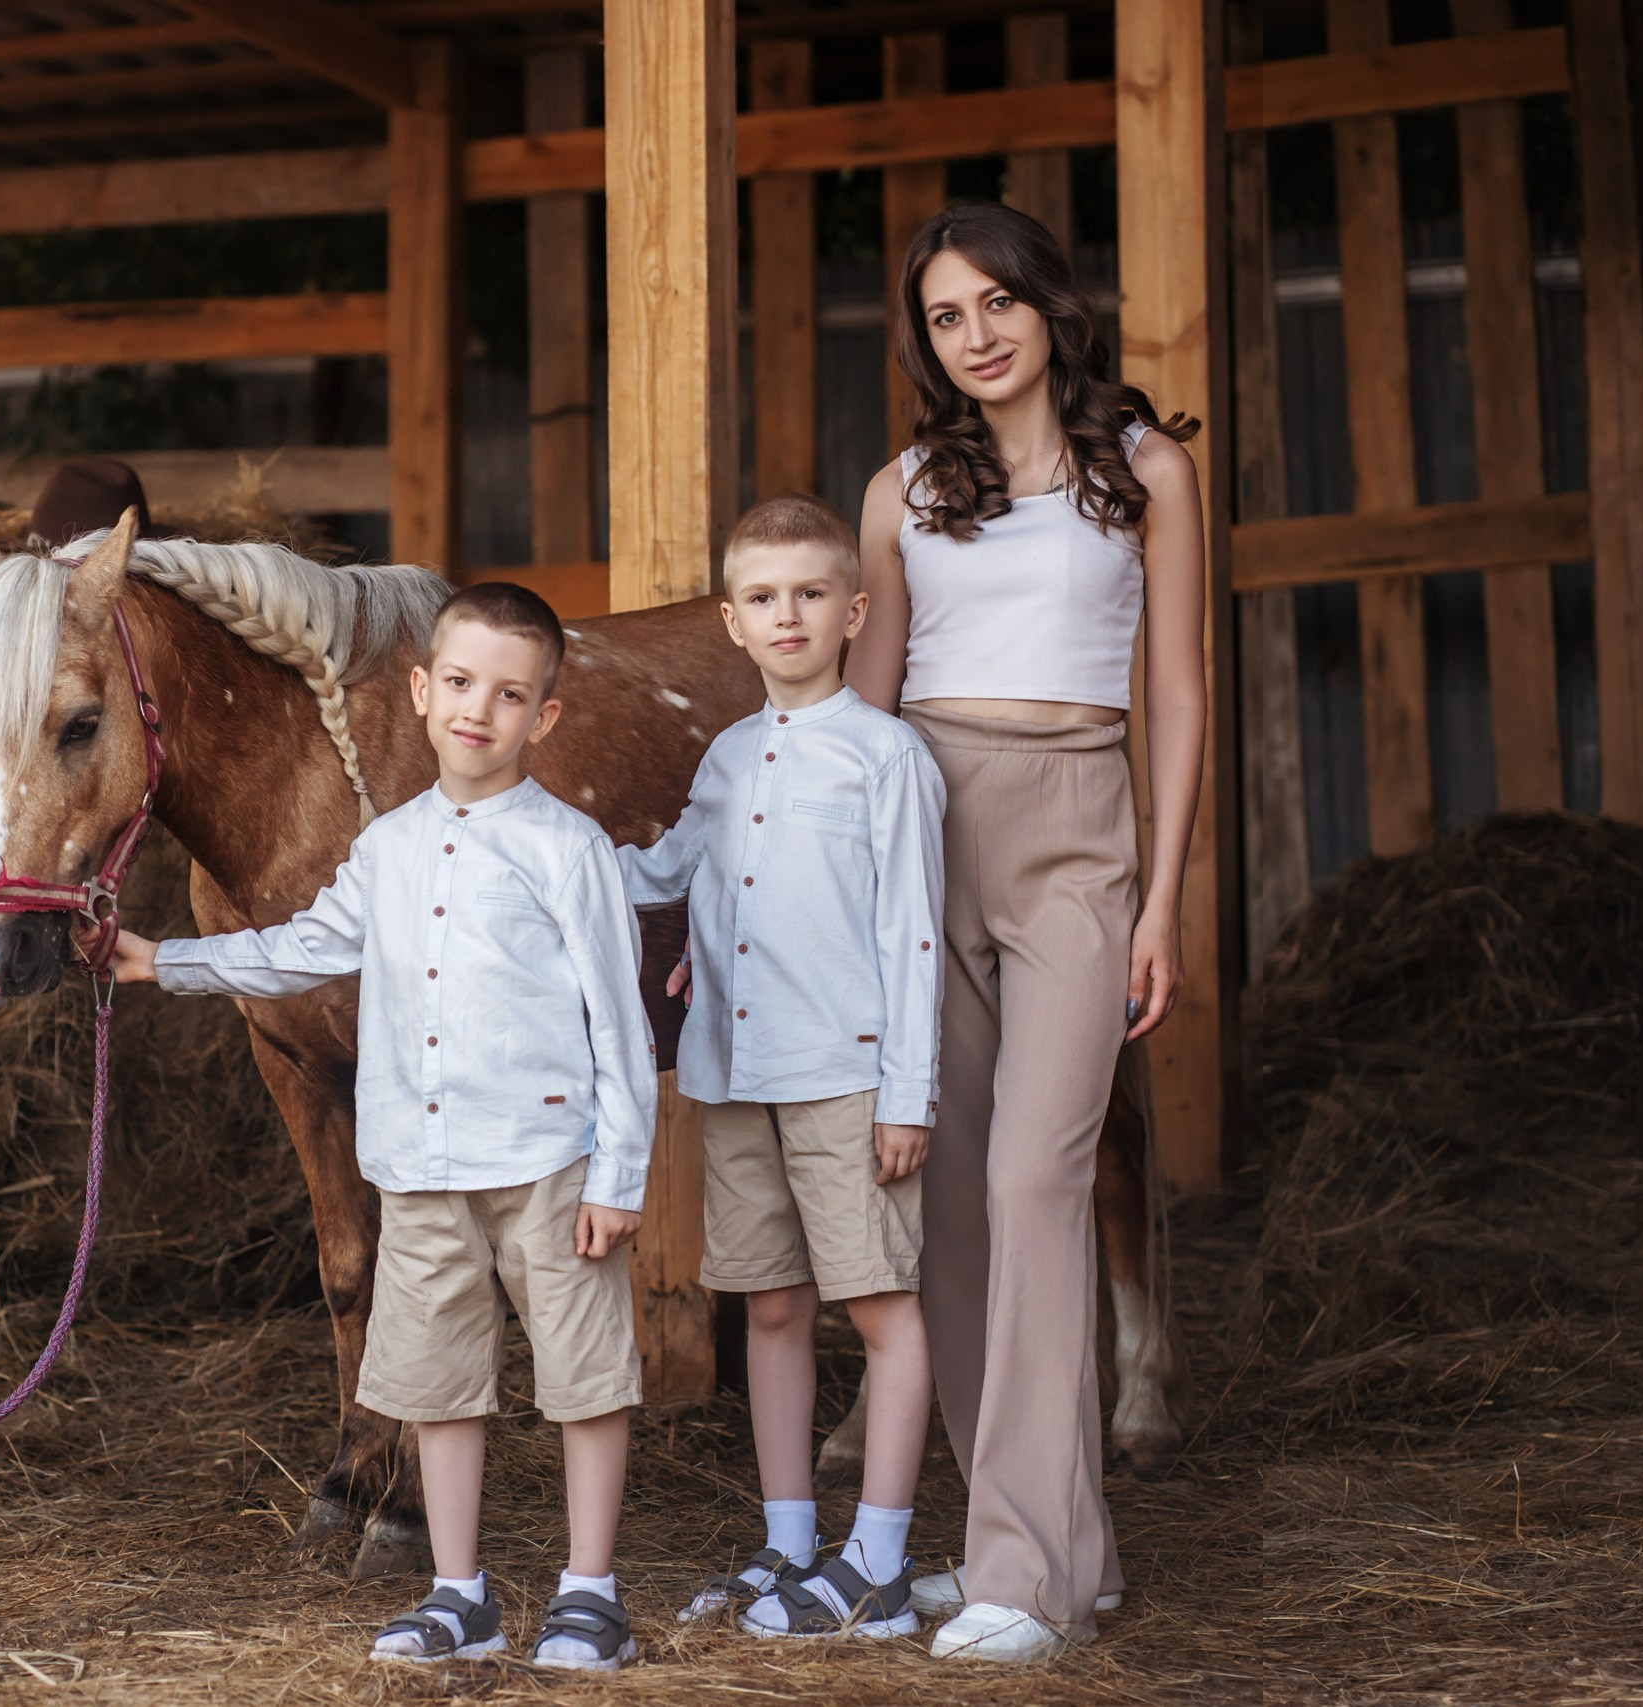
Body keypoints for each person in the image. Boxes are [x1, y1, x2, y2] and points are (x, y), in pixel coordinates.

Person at [105, 582, 658, 1672]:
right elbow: (302, 946)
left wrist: (621, 1175)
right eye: (458, 683)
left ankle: (591, 1591)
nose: (477, 711)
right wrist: (164, 959)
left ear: (543, 718)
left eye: (509, 696)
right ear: (418, 691)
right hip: (420, 1169)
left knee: (586, 1380)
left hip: (548, 1159)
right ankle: (459, 1592)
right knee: (438, 1382)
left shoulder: (569, 850)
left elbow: (618, 1020)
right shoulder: (387, 846)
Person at [848, 201, 1208, 1662]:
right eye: (946, 316)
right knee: (950, 1198)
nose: (977, 334)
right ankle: (1059, 1547)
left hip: (1077, 826)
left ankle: (1018, 1564)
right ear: (927, 341)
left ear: (1051, 306)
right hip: (923, 819)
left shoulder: (1149, 471)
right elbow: (859, 725)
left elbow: (1175, 691)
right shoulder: (900, 493)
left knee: (1040, 1176)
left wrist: (1163, 893)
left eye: (997, 301)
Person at [619, 495, 946, 1640]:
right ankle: (791, 1540)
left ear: (854, 611)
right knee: (767, 1307)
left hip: (847, 1079)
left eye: (811, 593)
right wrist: (536, 849)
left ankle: (881, 1561)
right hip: (735, 1074)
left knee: (881, 1309)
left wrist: (907, 1095)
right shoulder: (723, 757)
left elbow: (914, 933)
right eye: (763, 597)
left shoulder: (886, 757)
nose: (788, 614)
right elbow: (664, 875)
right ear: (731, 622)